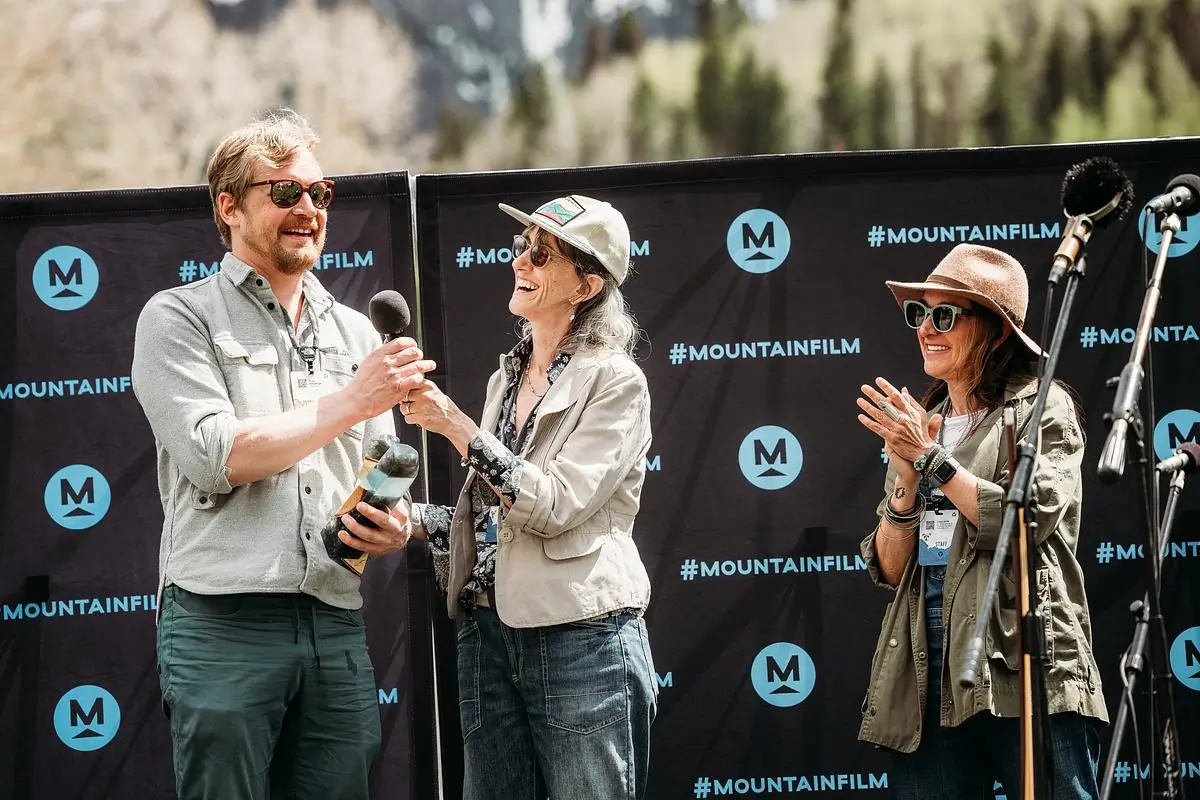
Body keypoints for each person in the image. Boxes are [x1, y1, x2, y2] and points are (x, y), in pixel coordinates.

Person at [131, 109, 434, 800]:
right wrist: (350, 401)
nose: (309, 209)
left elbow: (377, 465)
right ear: (229, 207)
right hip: (222, 621)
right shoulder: (178, 316)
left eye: (319, 193)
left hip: (334, 618)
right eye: (286, 192)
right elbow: (216, 457)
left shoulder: (356, 332)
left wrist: (391, 523)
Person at [399, 195, 658, 800]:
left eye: (542, 255)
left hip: (580, 638)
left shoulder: (617, 380)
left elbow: (555, 507)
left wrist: (458, 427)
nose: (520, 261)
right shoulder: (507, 376)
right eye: (523, 246)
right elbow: (497, 525)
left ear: (587, 286)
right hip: (487, 633)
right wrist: (411, 520)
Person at [855, 243, 1108, 798]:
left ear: (995, 332)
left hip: (1025, 664)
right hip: (926, 673)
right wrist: (905, 480)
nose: (925, 329)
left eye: (945, 315)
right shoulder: (923, 425)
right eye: (918, 313)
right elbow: (892, 570)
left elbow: (1028, 519)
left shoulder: (1041, 407)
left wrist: (931, 459)